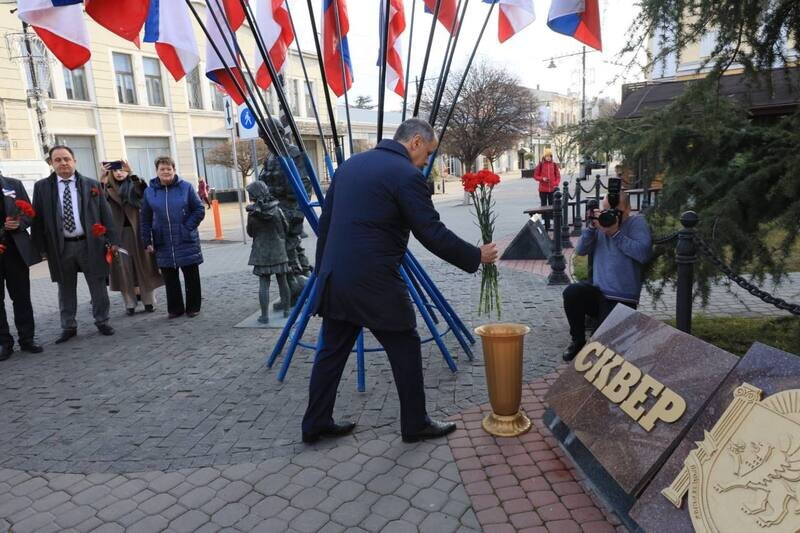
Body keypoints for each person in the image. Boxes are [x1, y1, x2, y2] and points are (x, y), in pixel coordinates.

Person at [301, 118, 498, 444]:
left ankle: (315, 423)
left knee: (331, 352)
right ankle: (415, 423)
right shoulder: (406, 175)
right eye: (428, 154)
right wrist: (476, 256)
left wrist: (324, 274)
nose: (426, 162)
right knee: (405, 344)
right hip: (375, 282)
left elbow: (326, 226)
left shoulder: (350, 166)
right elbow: (431, 232)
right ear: (416, 142)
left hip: (337, 277)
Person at [32, 145, 119, 343]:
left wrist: (113, 241)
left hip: (90, 244)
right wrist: (40, 248)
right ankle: (68, 326)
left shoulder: (92, 184)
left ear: (74, 161)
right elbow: (38, 219)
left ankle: (102, 320)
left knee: (97, 284)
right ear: (51, 164)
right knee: (65, 288)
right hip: (61, 247)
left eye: (66, 159)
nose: (63, 163)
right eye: (58, 160)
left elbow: (107, 215)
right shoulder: (42, 187)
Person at [562, 192, 652, 361]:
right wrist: (591, 226)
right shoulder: (600, 225)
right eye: (606, 210)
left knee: (604, 351)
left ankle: (597, 339)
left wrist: (615, 233)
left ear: (628, 209)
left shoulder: (637, 223)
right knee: (572, 292)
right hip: (598, 292)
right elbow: (580, 250)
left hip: (622, 296)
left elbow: (643, 253)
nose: (610, 215)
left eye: (615, 211)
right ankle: (578, 341)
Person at [140, 156, 205, 318]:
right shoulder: (149, 192)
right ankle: (175, 309)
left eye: (169, 169)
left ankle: (193, 307)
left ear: (174, 170)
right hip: (163, 240)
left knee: (191, 275)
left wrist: (187, 227)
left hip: (185, 238)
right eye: (162, 169)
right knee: (170, 277)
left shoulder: (186, 188)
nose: (166, 171)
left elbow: (199, 209)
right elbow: (145, 218)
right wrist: (146, 240)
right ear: (157, 171)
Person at [101, 160, 163, 315]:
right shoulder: (106, 188)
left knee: (144, 267)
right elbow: (98, 204)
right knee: (124, 269)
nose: (119, 173)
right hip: (119, 235)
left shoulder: (134, 184)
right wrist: (102, 182)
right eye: (115, 171)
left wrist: (133, 174)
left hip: (138, 232)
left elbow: (144, 192)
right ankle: (129, 304)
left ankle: (149, 302)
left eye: (122, 170)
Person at [0, 174, 43, 359]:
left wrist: (19, 223)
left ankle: (27, 339)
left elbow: (29, 214)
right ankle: (4, 343)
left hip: (15, 251)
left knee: (22, 297)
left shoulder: (13, 184)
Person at [245, 181, 291, 324]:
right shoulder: (277, 210)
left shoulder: (253, 213)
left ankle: (264, 316)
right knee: (283, 281)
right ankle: (287, 310)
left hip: (261, 253)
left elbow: (251, 233)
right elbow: (286, 227)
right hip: (278, 251)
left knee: (264, 284)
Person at [533, 148, 561, 230]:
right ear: (544, 157)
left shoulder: (554, 165)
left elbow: (558, 176)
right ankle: (545, 221)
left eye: (550, 156)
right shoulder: (540, 165)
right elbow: (535, 176)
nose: (548, 158)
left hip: (552, 189)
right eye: (547, 156)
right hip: (543, 190)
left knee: (552, 205)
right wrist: (542, 179)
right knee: (544, 205)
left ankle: (552, 220)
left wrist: (556, 184)